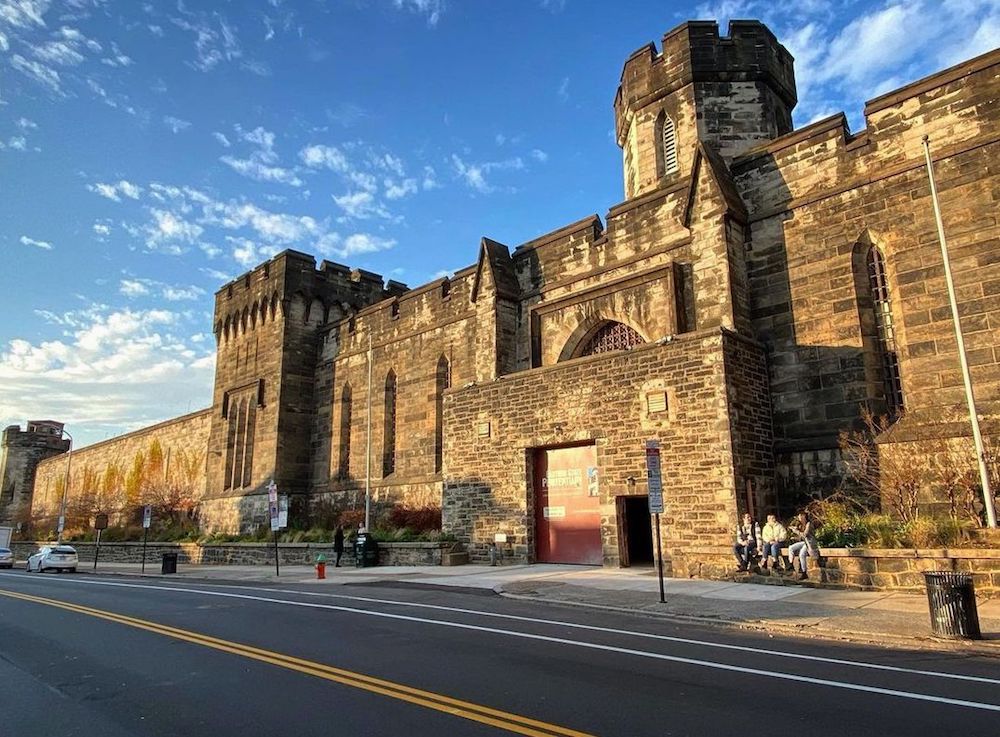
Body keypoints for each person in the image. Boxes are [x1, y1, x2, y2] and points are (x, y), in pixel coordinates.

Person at [787, 512, 820, 580]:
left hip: (810, 543)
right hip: (804, 542)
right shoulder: (800, 525)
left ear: (804, 517)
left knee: (802, 554)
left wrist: (796, 531)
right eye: (799, 516)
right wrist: (794, 537)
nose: (800, 518)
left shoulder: (809, 524)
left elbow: (805, 535)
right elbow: (801, 537)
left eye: (801, 516)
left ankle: (804, 572)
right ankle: (791, 565)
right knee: (791, 548)